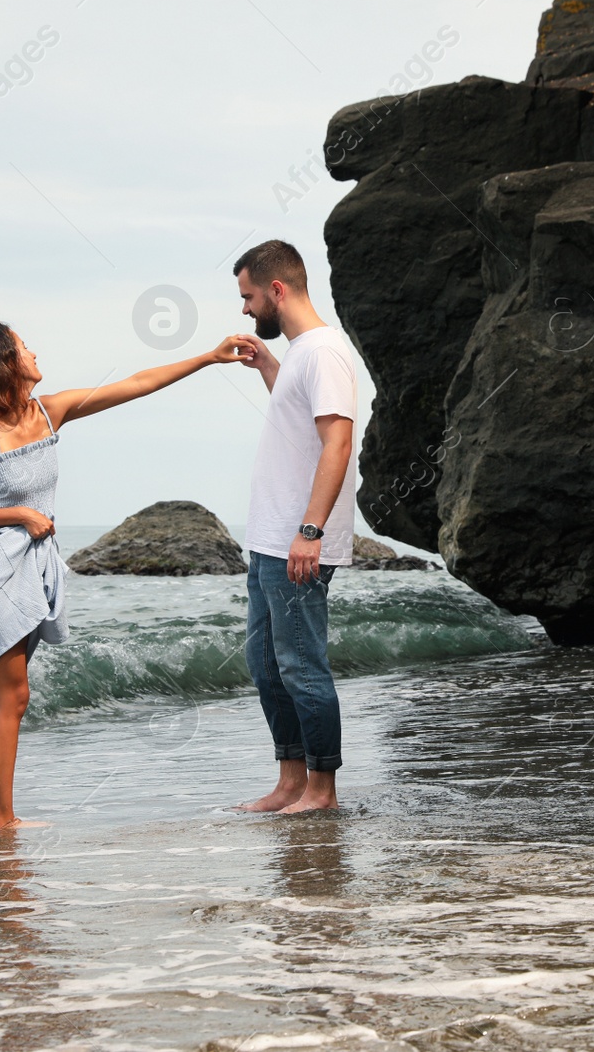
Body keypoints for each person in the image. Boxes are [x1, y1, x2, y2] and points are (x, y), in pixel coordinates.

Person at [0, 322, 253, 831]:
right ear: (3, 363)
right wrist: (20, 516)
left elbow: (139, 383)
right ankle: (1, 822)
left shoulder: (50, 411)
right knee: (14, 695)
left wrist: (208, 357)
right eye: (23, 345)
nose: (34, 350)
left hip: (36, 569)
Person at [229, 240, 357, 814]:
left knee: (302, 665)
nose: (246, 308)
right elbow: (298, 416)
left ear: (277, 291)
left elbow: (337, 441)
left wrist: (311, 530)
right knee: (266, 665)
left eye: (249, 296)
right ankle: (289, 781)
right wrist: (266, 366)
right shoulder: (302, 355)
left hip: (295, 542)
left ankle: (322, 791)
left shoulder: (326, 351)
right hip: (266, 542)